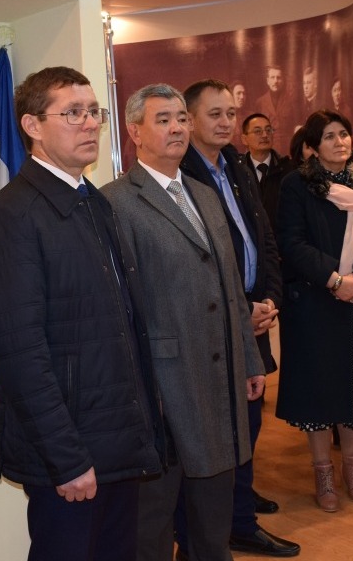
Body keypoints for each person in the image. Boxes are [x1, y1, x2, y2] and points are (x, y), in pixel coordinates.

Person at [0, 67, 164, 560]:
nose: (90, 123)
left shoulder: (94, 203)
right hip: (71, 455)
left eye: (94, 111)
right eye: (73, 113)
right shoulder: (11, 217)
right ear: (32, 126)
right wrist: (66, 458)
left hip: (117, 443)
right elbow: (20, 354)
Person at [102, 84, 265, 561]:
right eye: (163, 120)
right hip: (163, 384)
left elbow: (230, 286)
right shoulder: (116, 202)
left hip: (219, 378)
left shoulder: (205, 195)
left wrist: (249, 358)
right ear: (135, 132)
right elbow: (120, 308)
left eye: (180, 118)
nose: (177, 128)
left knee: (212, 517)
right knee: (152, 523)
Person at [177, 80, 298, 558]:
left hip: (255, 315)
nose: (226, 122)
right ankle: (228, 521)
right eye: (215, 114)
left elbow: (262, 238)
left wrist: (269, 298)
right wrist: (238, 309)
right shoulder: (180, 173)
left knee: (248, 422)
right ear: (189, 120)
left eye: (231, 113)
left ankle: (239, 515)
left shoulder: (237, 165)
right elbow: (194, 262)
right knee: (217, 430)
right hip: (215, 322)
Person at [274, 110, 353, 513]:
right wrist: (334, 280)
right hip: (315, 302)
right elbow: (291, 243)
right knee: (319, 390)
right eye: (329, 136)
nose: (339, 142)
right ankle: (323, 473)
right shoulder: (297, 184)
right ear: (313, 146)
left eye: (343, 134)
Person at [239, 113, 292, 222]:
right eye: (258, 131)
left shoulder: (288, 168)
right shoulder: (238, 171)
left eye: (268, 130)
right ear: (244, 139)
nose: (265, 135)